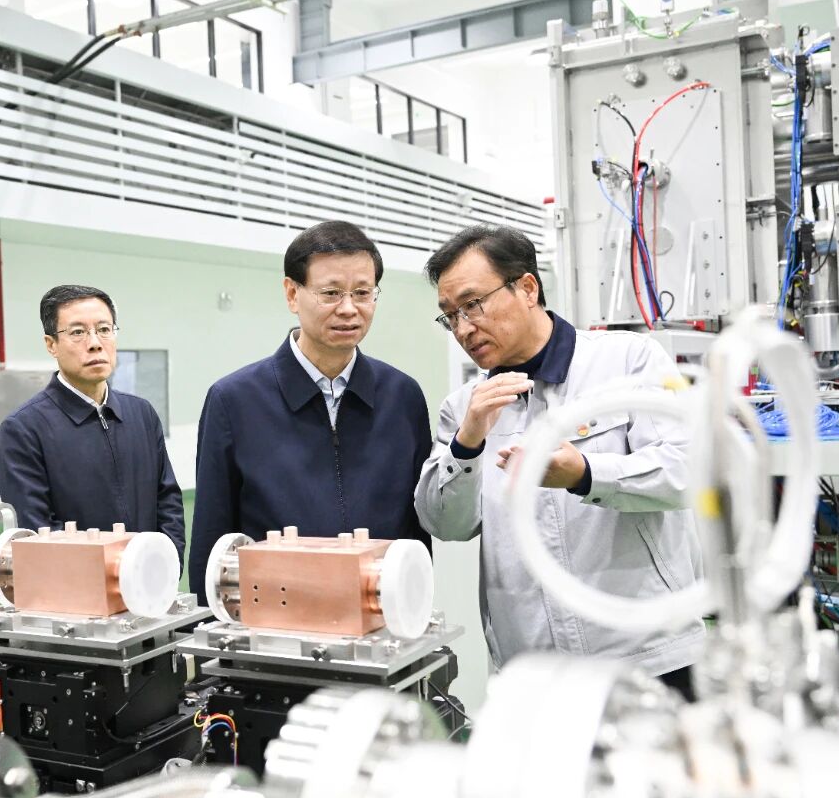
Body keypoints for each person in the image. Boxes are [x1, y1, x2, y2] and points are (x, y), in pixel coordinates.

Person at [413, 225, 703, 695]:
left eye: (473, 304)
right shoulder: (465, 406)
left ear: (528, 288)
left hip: (647, 657)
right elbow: (446, 524)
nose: (463, 328)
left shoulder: (627, 361)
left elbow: (687, 471)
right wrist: (467, 443)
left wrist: (586, 475)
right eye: (450, 316)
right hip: (533, 670)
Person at [189, 220, 432, 605]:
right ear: (292, 293)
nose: (349, 309)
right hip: (275, 622)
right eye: (331, 293)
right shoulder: (233, 401)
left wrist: (415, 612)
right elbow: (212, 539)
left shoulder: (403, 396)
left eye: (362, 293)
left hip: (382, 620)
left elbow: (417, 534)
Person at [0, 285, 184, 555]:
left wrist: (166, 563)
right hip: (79, 580)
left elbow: (168, 502)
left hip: (150, 575)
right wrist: (114, 572)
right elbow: (38, 530)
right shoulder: (24, 429)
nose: (95, 343)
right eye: (78, 332)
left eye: (104, 329)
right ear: (51, 344)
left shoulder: (141, 414)